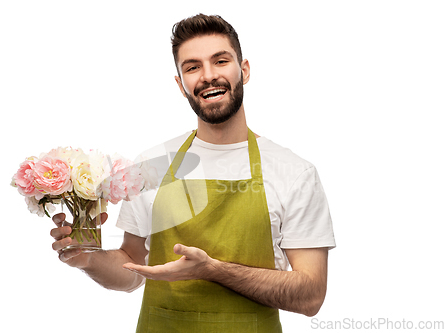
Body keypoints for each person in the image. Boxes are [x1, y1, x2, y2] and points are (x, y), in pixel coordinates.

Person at [51, 14, 335, 332]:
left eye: (221, 61)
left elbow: (311, 296)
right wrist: (88, 258)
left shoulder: (294, 173)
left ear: (244, 70)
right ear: (180, 84)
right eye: (192, 67)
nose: (208, 76)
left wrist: (212, 270)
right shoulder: (151, 165)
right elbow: (131, 271)